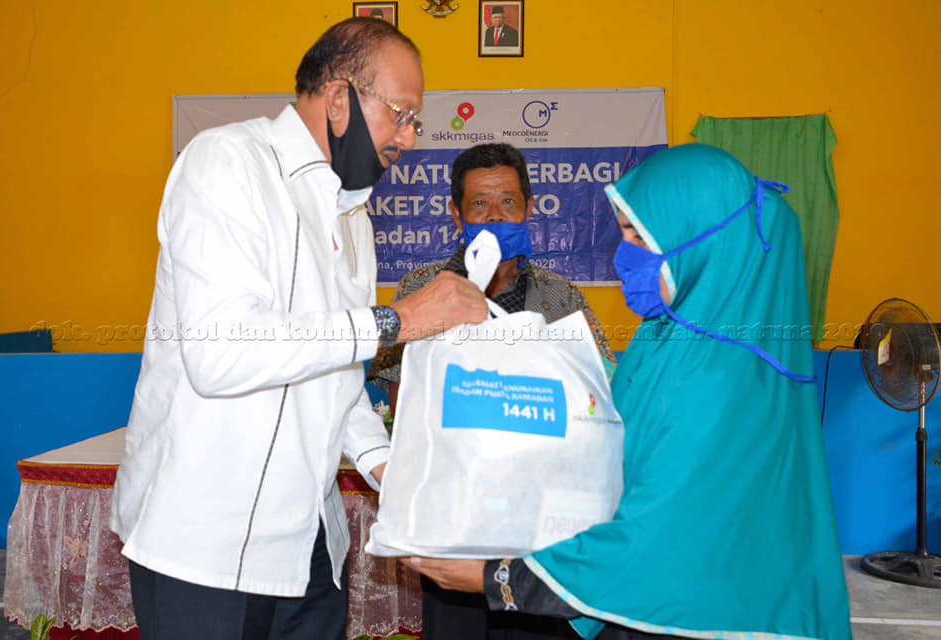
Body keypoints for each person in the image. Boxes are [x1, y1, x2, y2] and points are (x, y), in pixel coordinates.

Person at [110, 17, 487, 640]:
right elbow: (222, 351)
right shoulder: (227, 162)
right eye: (400, 113)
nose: (409, 138)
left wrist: (388, 467)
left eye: (417, 121)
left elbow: (333, 376)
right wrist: (400, 320)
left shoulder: (353, 215)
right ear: (339, 98)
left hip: (308, 546)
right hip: (204, 547)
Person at [406, 144, 854, 640]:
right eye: (623, 233)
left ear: (699, 241)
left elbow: (652, 540)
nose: (625, 254)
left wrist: (500, 579)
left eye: (640, 235)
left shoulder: (723, 379)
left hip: (684, 611)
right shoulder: (667, 337)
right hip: (584, 569)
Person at [368, 142, 616, 640]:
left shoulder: (560, 296)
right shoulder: (422, 289)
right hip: (453, 526)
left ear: (528, 206)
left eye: (508, 202)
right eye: (479, 204)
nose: (495, 215)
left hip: (541, 534)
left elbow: (599, 396)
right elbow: (400, 399)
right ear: (456, 214)